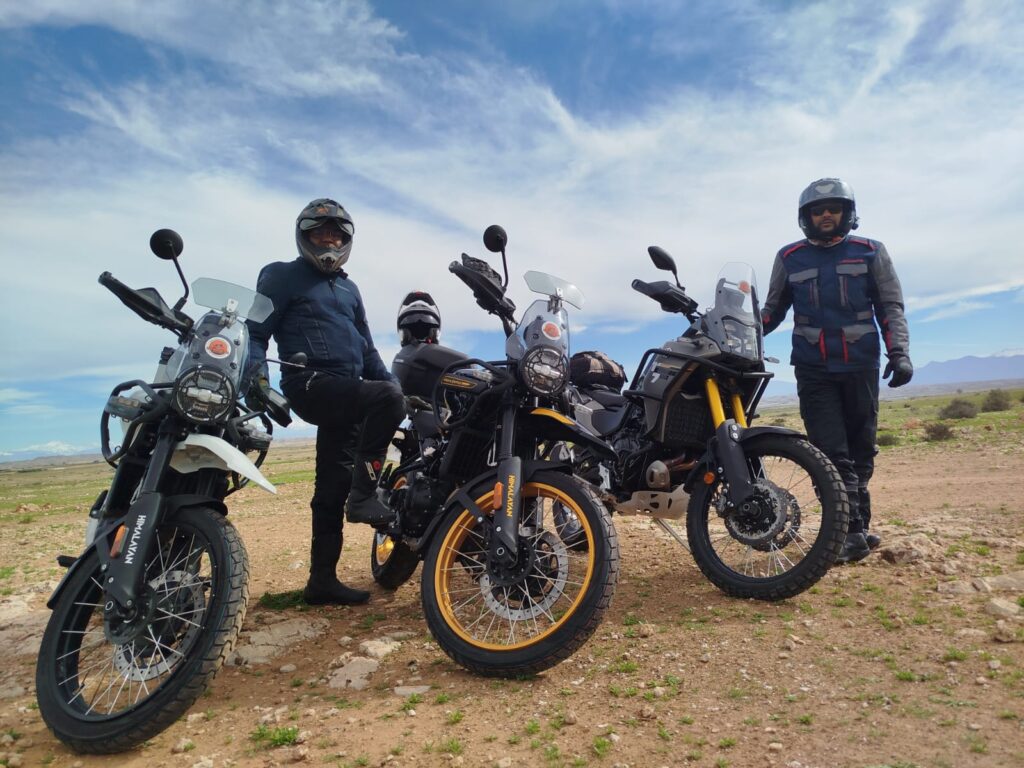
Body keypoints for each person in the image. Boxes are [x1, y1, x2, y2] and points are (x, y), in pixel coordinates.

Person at [248, 198, 405, 604]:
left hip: (348, 394)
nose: (329, 239)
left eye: (336, 234)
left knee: (331, 490)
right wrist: (258, 380)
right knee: (387, 400)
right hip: (310, 384)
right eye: (320, 233)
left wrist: (397, 391)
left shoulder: (350, 289)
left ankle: (321, 583)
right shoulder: (280, 275)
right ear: (305, 236)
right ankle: (364, 496)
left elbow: (368, 352)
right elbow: (255, 334)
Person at [761, 178, 913, 564]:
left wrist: (899, 353)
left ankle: (858, 528)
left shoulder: (870, 251)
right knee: (829, 452)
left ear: (848, 213)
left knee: (861, 451)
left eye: (834, 208)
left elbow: (890, 307)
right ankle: (848, 533)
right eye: (818, 210)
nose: (826, 214)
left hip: (861, 364)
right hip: (813, 368)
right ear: (806, 217)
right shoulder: (789, 257)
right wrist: (735, 330)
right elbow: (771, 312)